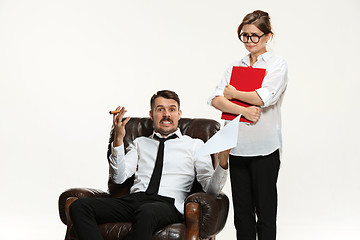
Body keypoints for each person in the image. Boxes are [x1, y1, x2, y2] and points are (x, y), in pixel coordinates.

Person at [69, 90, 229, 240]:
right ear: (151, 115)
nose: (166, 114)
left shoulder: (195, 145)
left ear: (179, 114)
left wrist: (222, 163)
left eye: (172, 109)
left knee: (148, 211)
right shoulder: (139, 143)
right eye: (160, 109)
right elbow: (118, 178)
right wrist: (118, 140)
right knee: (79, 206)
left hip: (168, 204)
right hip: (134, 200)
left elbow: (211, 189)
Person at [208, 10, 288, 240]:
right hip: (237, 146)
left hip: (265, 148)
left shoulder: (276, 64)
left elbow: (264, 98)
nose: (249, 41)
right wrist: (243, 108)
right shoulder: (235, 66)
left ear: (267, 36)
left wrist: (234, 93)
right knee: (242, 214)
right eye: (244, 35)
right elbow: (215, 99)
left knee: (265, 212)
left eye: (255, 35)